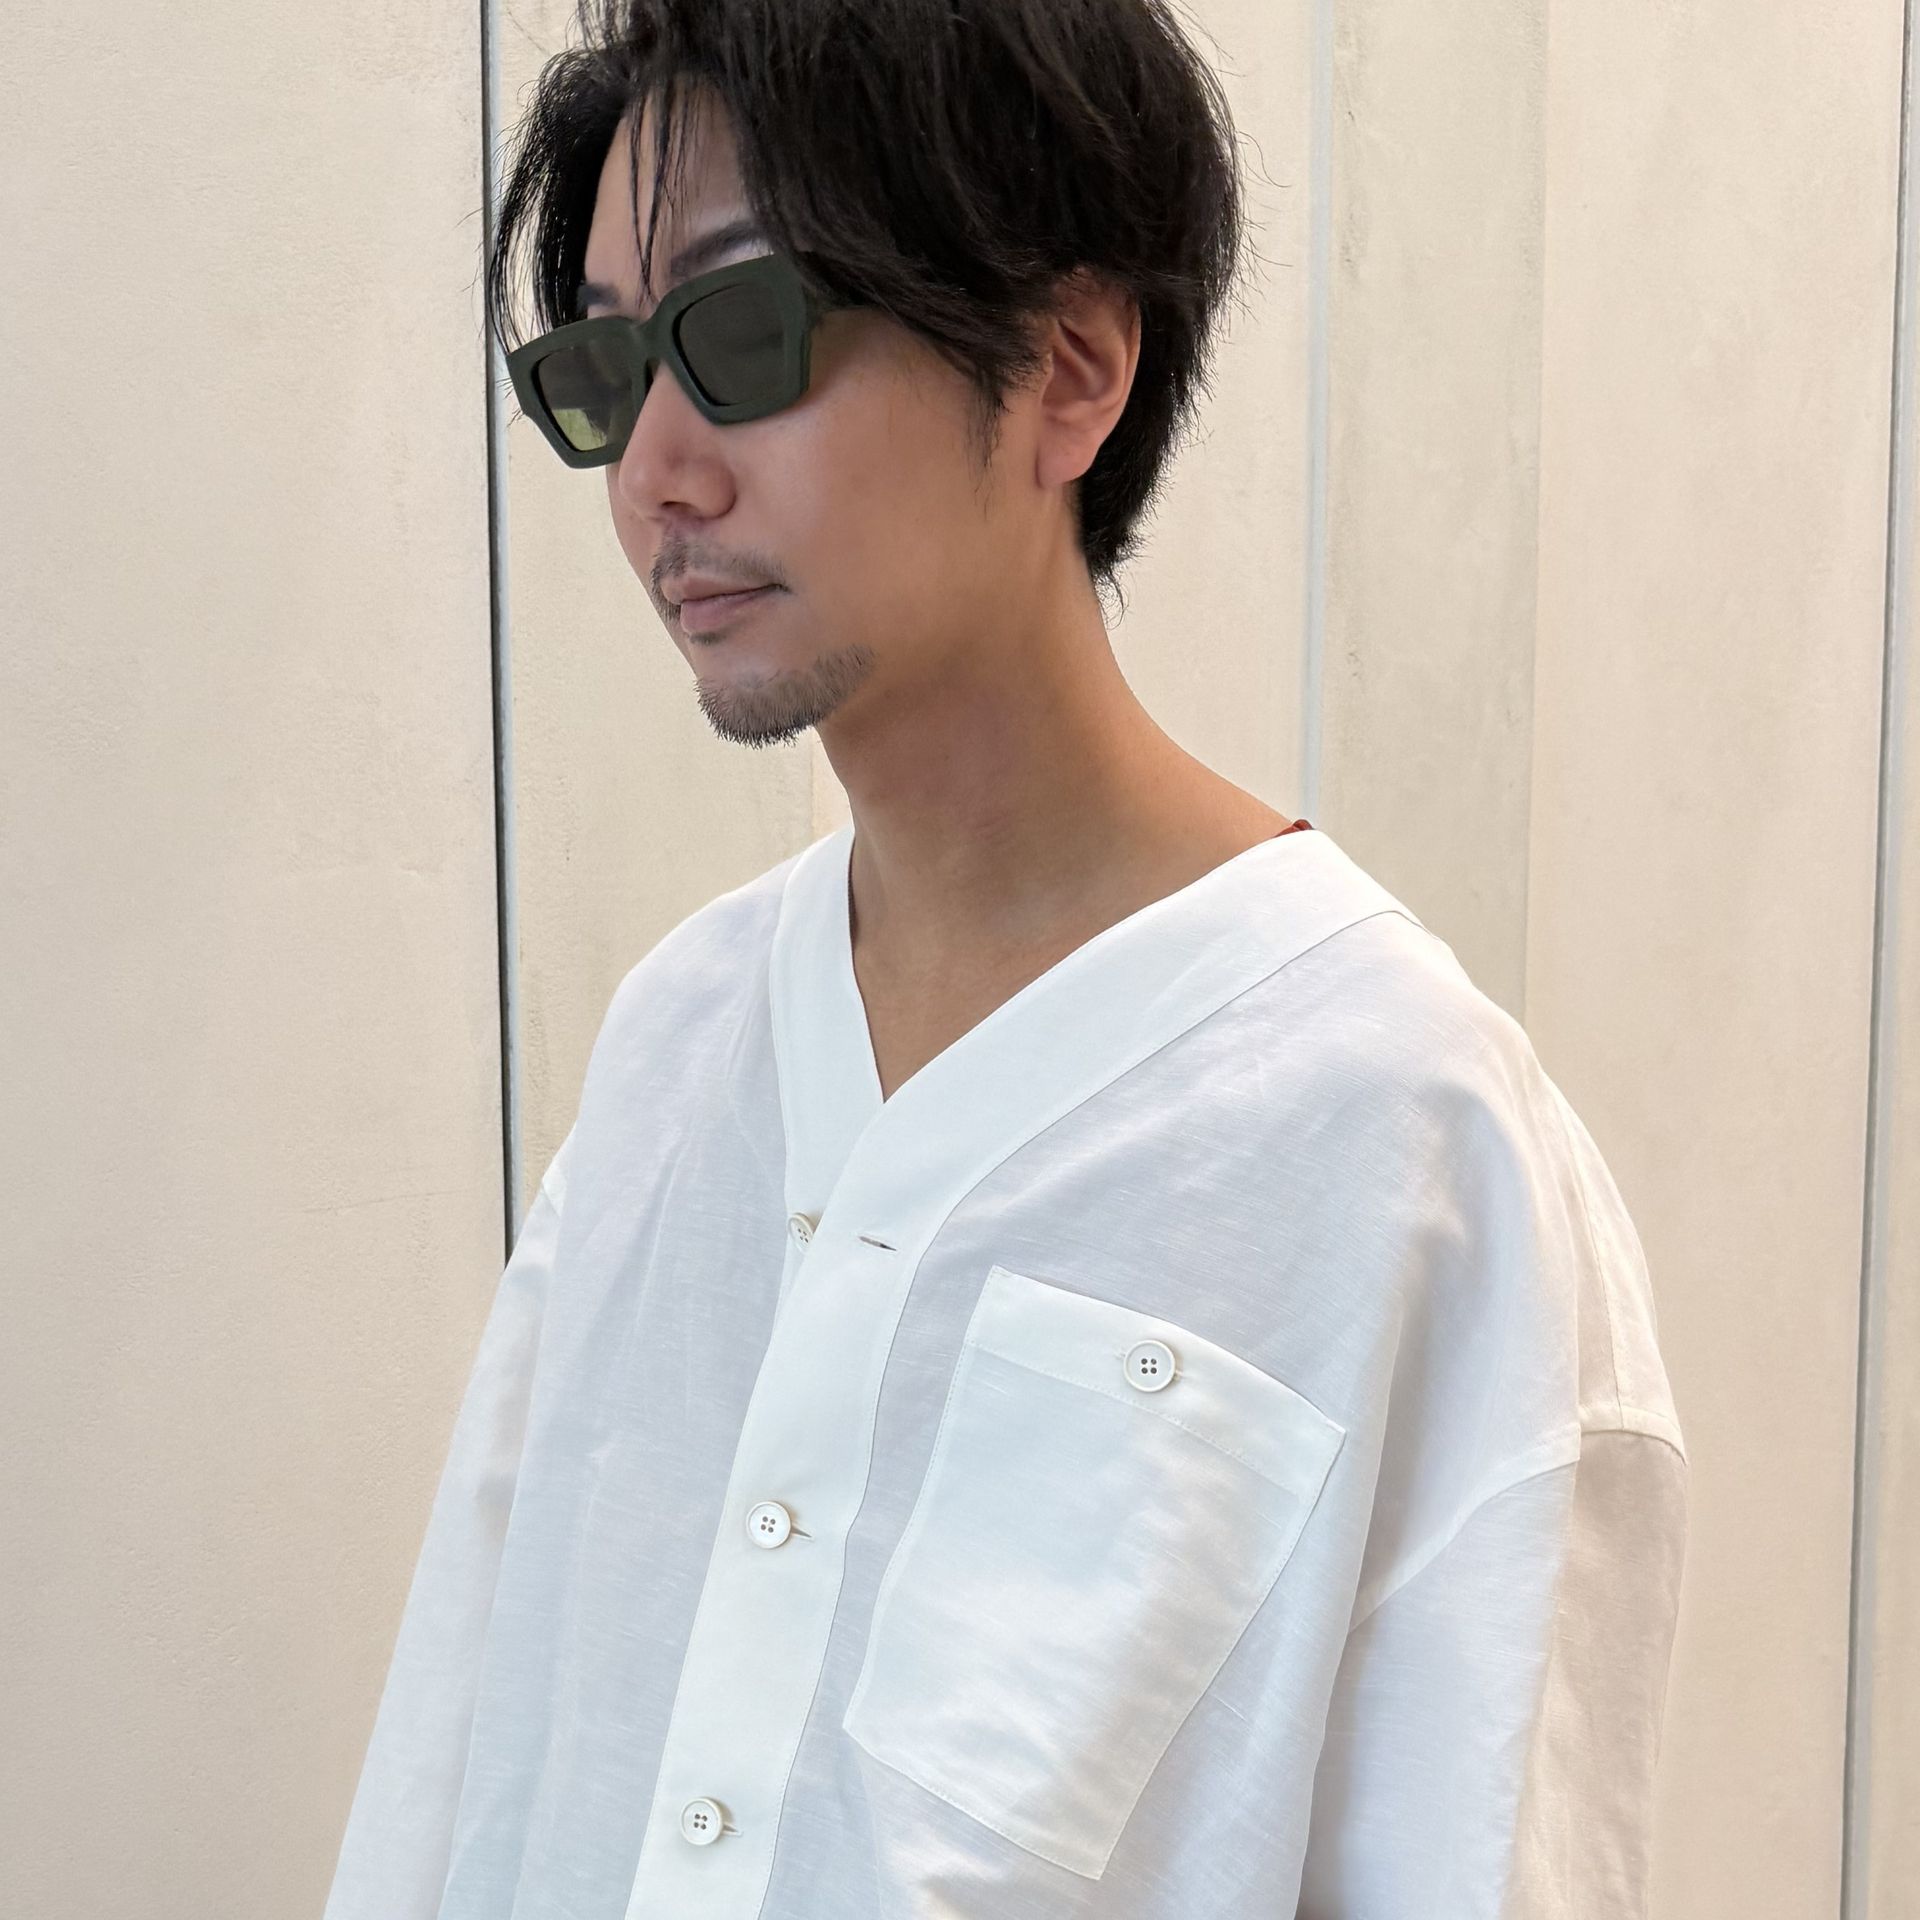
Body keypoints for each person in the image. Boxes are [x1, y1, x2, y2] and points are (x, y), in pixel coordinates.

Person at [323, 2, 1689, 1915]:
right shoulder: (678, 1048)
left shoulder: (1401, 1136)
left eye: (743, 333)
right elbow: (473, 1767)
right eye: (606, 371)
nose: (655, 475)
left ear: (1069, 368)